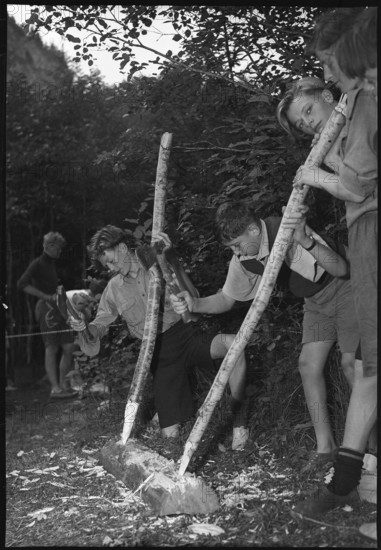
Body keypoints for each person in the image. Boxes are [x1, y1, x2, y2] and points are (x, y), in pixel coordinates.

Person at [171, 200, 360, 472]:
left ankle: (367, 450)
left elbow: (341, 269)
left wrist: (304, 240)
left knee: (352, 366)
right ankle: (326, 448)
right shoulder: (244, 259)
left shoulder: (285, 229)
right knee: (308, 366)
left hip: (347, 290)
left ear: (253, 230)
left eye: (237, 244)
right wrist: (194, 304)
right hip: (316, 303)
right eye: (232, 248)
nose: (236, 252)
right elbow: (226, 298)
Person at [282, 8, 377, 520]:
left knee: (365, 364)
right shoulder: (347, 121)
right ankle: (345, 481)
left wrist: (313, 176)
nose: (308, 126)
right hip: (364, 231)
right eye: (302, 127)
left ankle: (347, 482)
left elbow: (359, 187)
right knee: (366, 365)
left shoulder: (361, 101)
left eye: (309, 114)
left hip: (371, 230)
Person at [68, 224, 250, 449]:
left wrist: (171, 260)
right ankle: (166, 413)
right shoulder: (114, 288)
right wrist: (84, 328)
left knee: (235, 345)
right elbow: (100, 325)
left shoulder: (156, 257)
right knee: (170, 437)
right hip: (158, 355)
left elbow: (193, 297)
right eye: (107, 266)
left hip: (186, 334)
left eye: (112, 260)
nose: (112, 268)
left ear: (123, 247)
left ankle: (239, 424)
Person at [17, 231, 77, 398]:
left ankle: (64, 385)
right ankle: (55, 388)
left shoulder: (51, 264)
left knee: (69, 346)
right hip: (45, 309)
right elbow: (21, 284)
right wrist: (44, 297)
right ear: (49, 246)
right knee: (51, 347)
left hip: (59, 307)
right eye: (58, 249)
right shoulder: (37, 263)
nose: (60, 252)